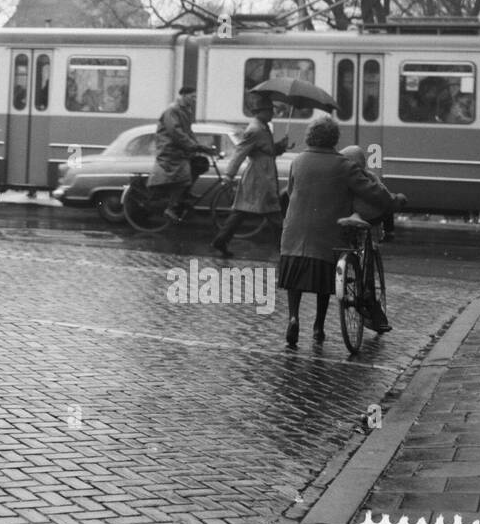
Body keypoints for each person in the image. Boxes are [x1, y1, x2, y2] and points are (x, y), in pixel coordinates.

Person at [278, 116, 396, 348]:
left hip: (294, 234)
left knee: (295, 282)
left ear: (310, 135)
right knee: (324, 284)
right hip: (327, 236)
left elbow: (291, 191)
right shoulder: (344, 165)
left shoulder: (298, 160)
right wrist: (394, 200)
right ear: (334, 138)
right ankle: (318, 327)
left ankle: (293, 317)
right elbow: (373, 192)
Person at [210, 95, 290, 256]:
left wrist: (281, 146)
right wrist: (229, 175)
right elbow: (240, 152)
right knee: (273, 214)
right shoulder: (255, 130)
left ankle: (220, 241)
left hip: (262, 174)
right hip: (260, 178)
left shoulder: (263, 127)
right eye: (269, 110)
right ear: (260, 112)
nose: (272, 113)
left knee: (241, 212)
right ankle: (285, 251)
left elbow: (266, 150)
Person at [339, 145, 405, 331]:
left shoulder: (339, 179)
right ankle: (369, 298)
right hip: (368, 223)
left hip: (344, 225)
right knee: (368, 259)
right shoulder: (369, 178)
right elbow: (383, 196)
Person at [148, 85, 215, 222]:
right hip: (170, 150)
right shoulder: (172, 110)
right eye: (192, 97)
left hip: (180, 148)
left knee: (200, 164)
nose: (194, 100)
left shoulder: (185, 110)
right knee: (184, 177)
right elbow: (175, 132)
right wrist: (192, 146)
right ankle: (171, 208)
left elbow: (188, 132)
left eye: (195, 97)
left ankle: (185, 194)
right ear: (183, 96)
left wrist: (199, 146)